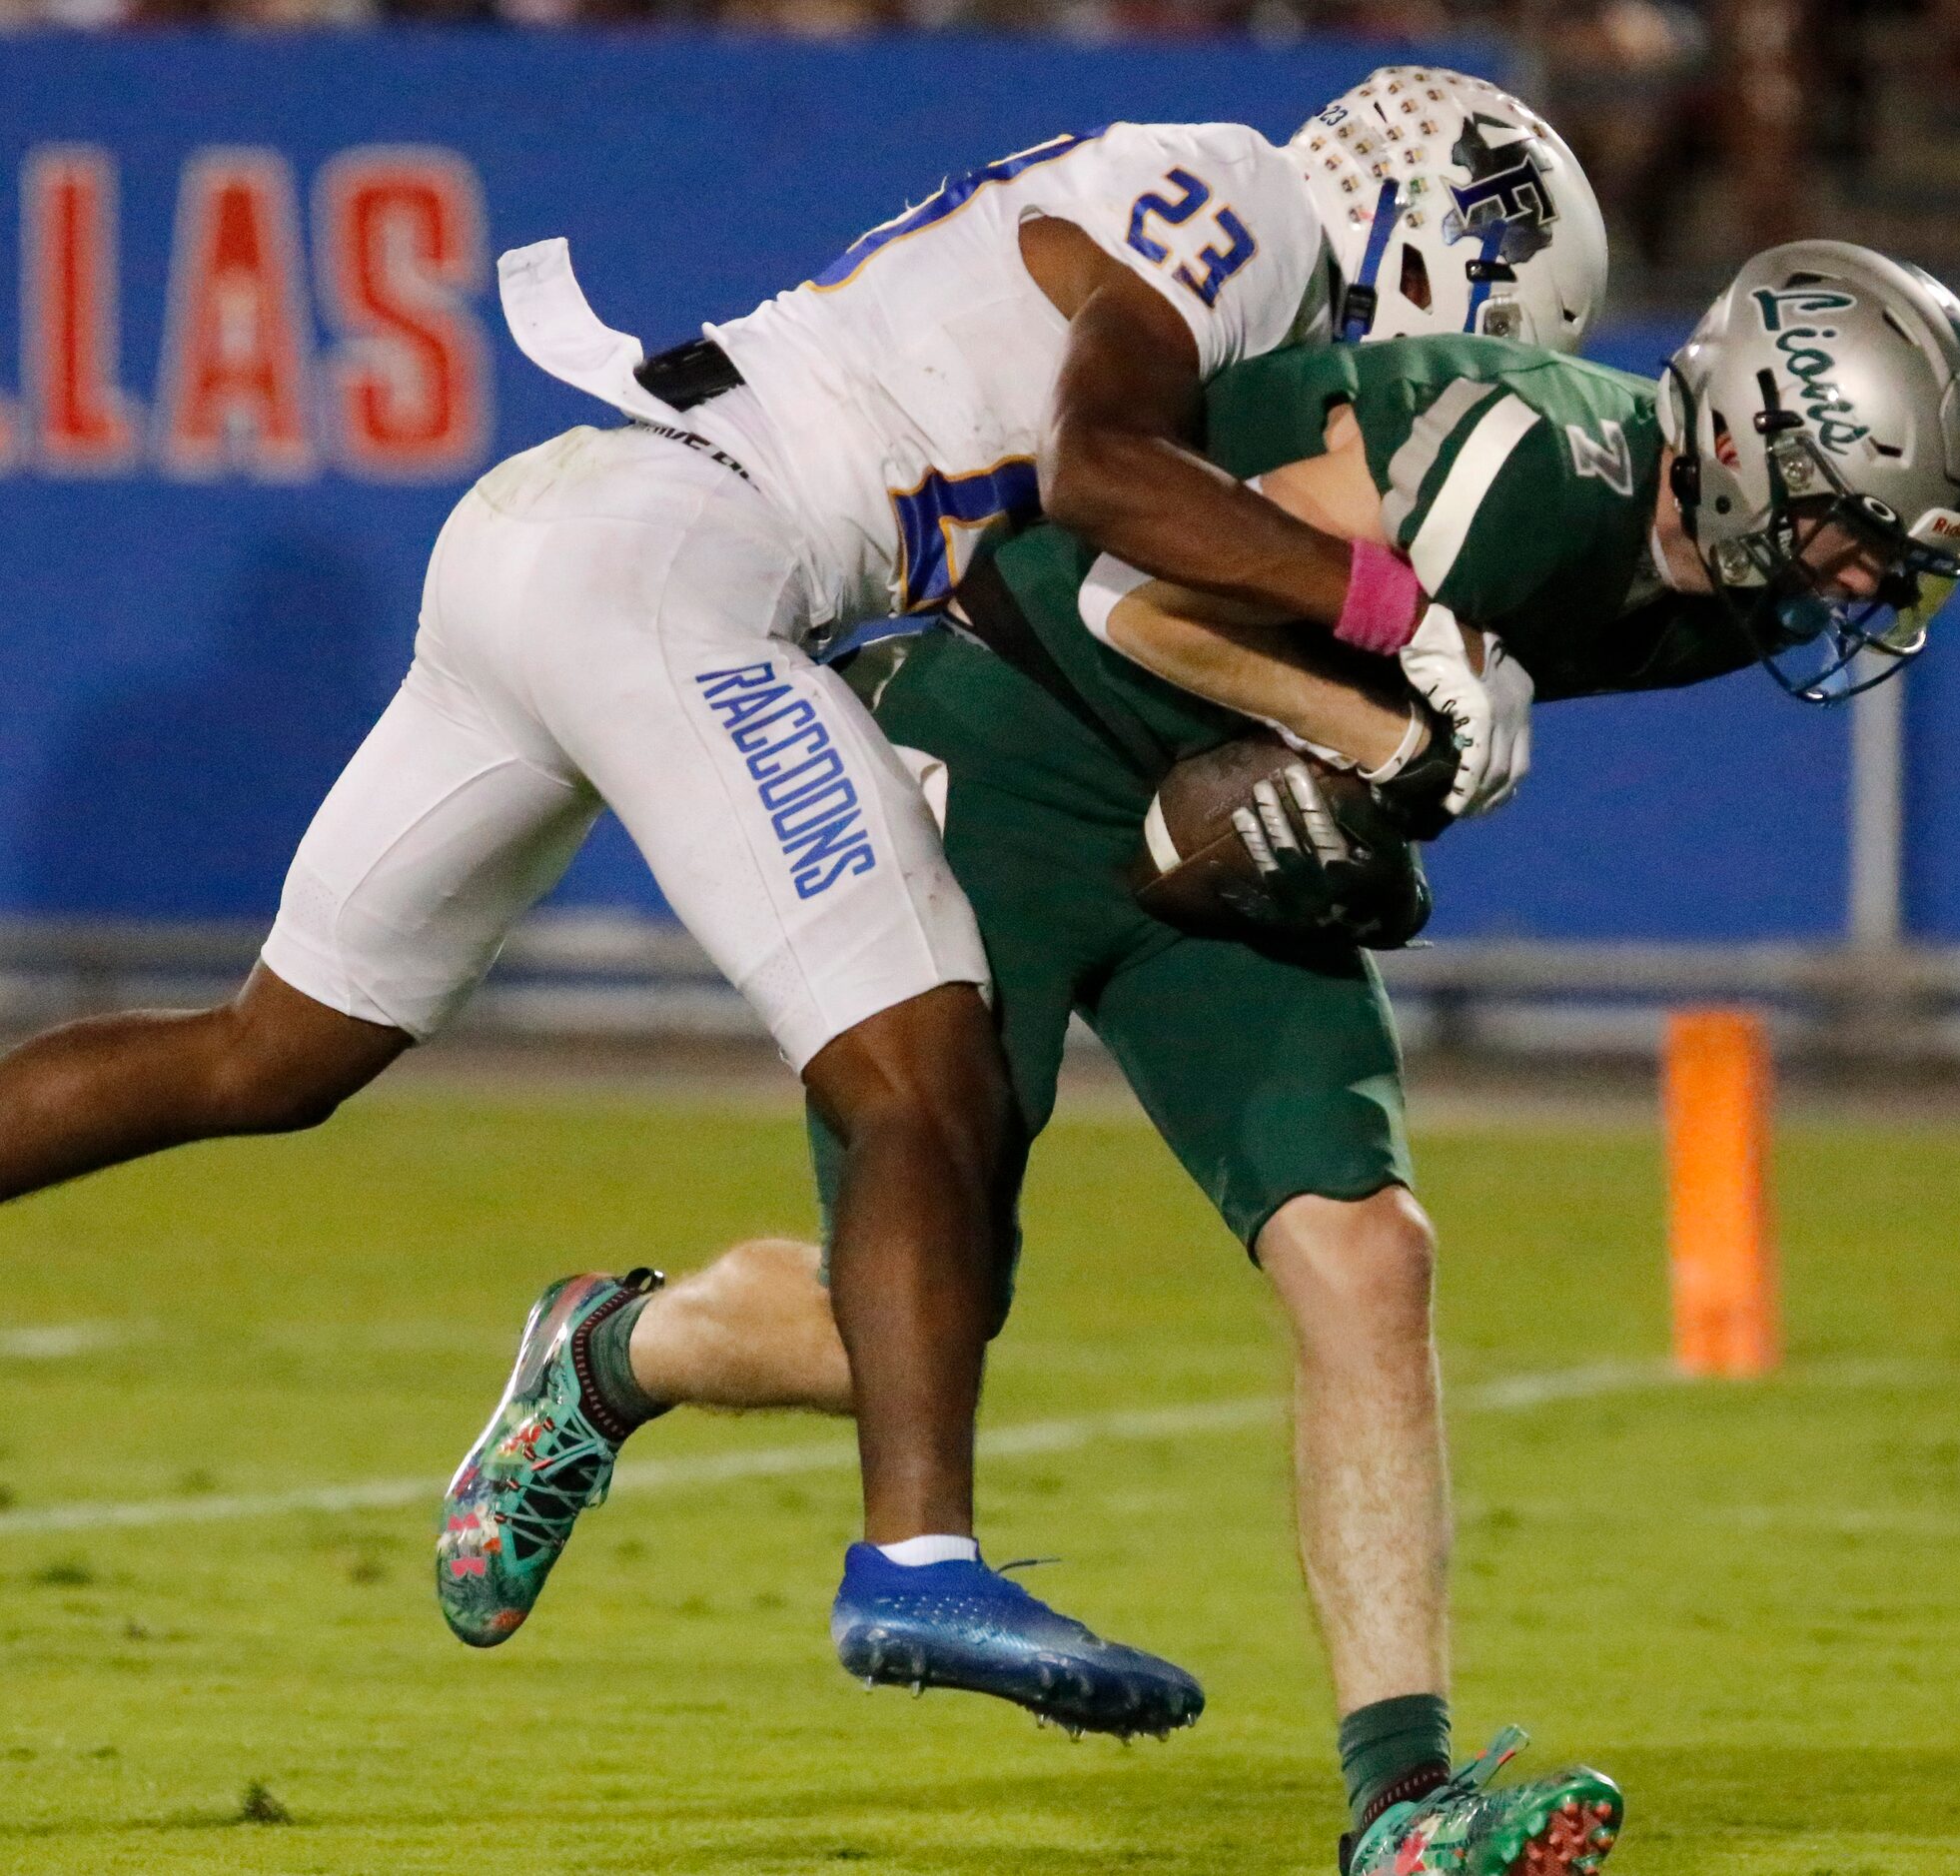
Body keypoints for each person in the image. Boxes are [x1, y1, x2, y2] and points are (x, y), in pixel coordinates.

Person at [0, 70, 1598, 1736]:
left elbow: (1036, 539)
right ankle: (917, 1560)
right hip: (686, 567)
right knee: (926, 1068)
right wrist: (1385, 600)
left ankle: (676, 1399)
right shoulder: (1246, 211)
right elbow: (1107, 468)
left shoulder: (1194, 212)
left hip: (566, 531)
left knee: (268, 1054)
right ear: (1437, 242)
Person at [434, 238, 1960, 1873]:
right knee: (902, 1321)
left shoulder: (1718, 593)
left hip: (1215, 783)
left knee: (1366, 1249)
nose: (1856, 586)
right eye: (1852, 530)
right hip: (1022, 731)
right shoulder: (1523, 470)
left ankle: (1407, 1804)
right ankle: (605, 1354)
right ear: (1755, 438)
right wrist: (1386, 737)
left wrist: (1367, 777)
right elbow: (1136, 591)